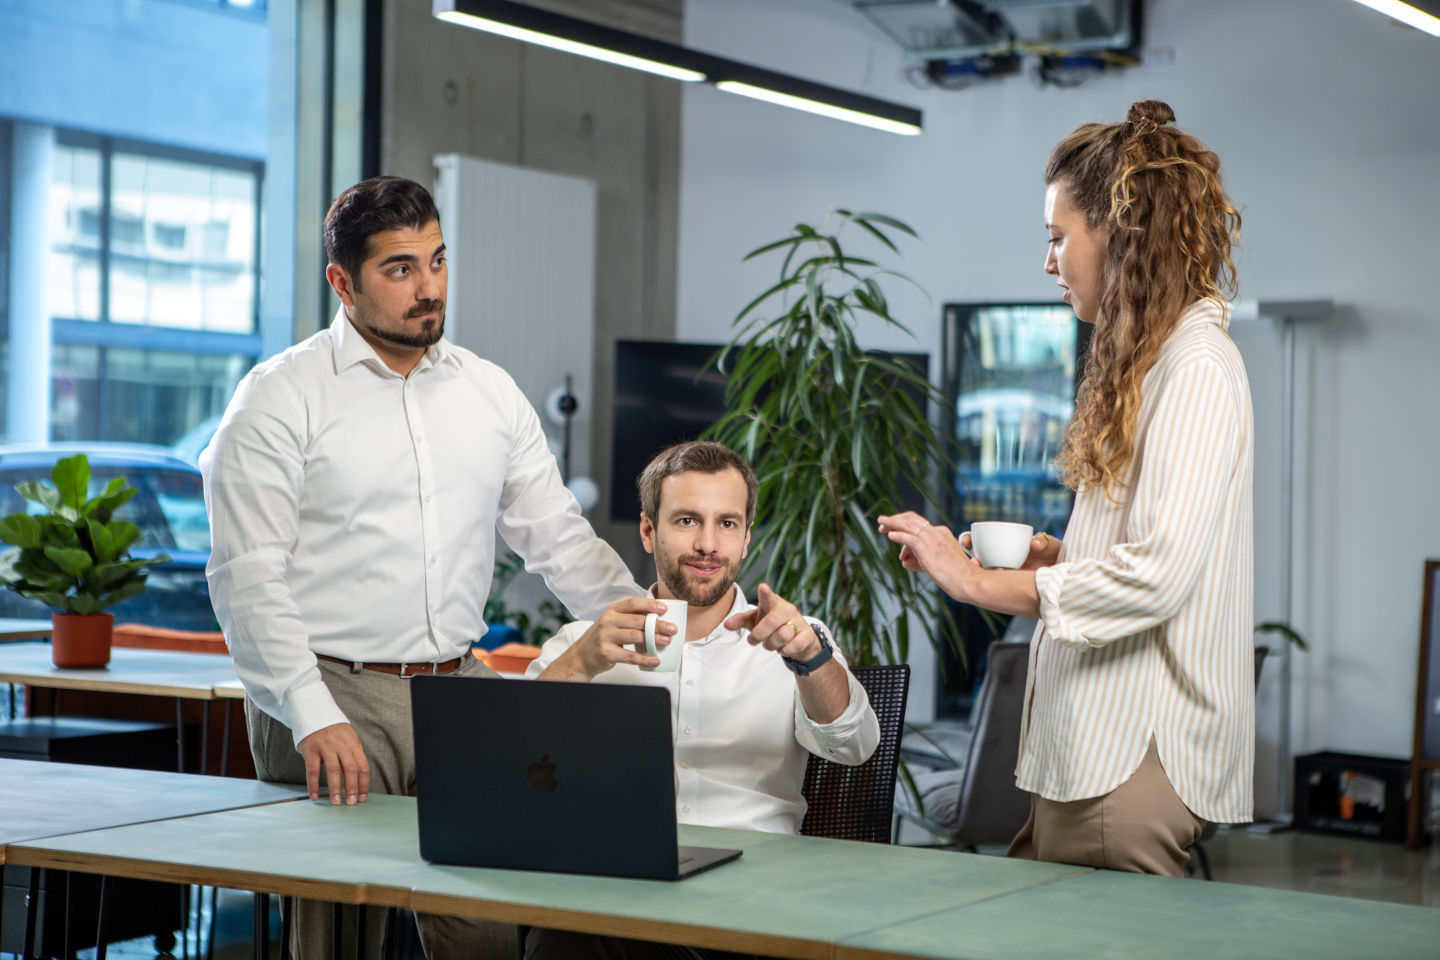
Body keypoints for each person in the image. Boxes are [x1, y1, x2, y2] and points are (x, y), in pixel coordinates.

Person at [200, 175, 644, 959]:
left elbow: (558, 537)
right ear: (342, 282)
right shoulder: (279, 399)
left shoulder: (489, 392)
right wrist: (311, 712)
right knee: (340, 934)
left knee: (489, 919)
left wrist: (649, 619)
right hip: (333, 685)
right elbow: (247, 577)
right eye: (400, 269)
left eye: (437, 261)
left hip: (457, 690)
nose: (429, 287)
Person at [879, 99, 1253, 877]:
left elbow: (1156, 574)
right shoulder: (1153, 363)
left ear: (1118, 232)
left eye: (1057, 239)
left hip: (1128, 759)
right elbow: (1145, 548)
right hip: (1094, 753)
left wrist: (974, 579)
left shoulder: (1196, 368)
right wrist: (1062, 554)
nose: (1048, 262)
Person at [524, 440, 879, 960]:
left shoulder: (798, 638)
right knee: (562, 936)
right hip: (615, 892)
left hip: (755, 898)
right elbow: (511, 762)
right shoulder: (584, 641)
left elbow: (856, 746)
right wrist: (581, 664)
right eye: (687, 520)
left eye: (727, 524)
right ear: (649, 531)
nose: (709, 544)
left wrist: (809, 658)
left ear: (746, 536)